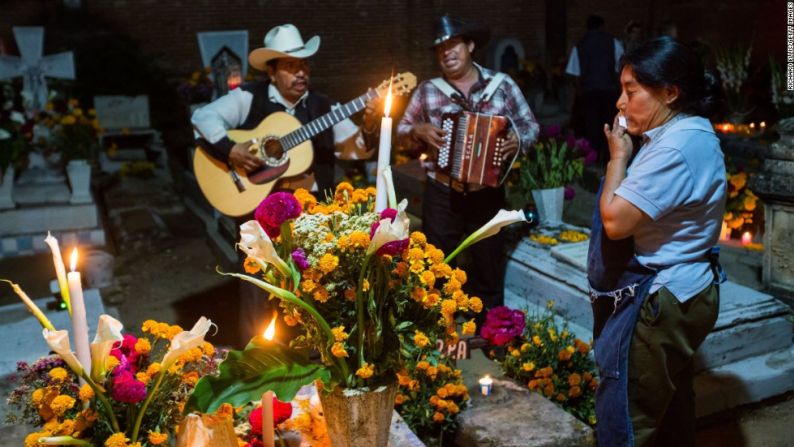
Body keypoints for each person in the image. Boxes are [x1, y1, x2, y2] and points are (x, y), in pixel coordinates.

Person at [192, 23, 380, 345]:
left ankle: (311, 353)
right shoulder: (248, 98)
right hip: (258, 208)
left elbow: (355, 148)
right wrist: (232, 150)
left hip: (312, 212)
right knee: (256, 283)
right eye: (291, 67)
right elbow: (203, 118)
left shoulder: (324, 107)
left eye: (304, 65)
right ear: (272, 71)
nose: (300, 73)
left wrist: (371, 126)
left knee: (314, 283)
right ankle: (259, 356)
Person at [588, 36, 724, 446]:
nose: (620, 103)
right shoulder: (678, 135)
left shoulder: (679, 147)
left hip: (662, 299)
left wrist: (617, 158)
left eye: (631, 91)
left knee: (628, 417)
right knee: (669, 412)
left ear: (669, 92)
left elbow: (615, 221)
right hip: (681, 290)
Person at [397, 15, 539, 324]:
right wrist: (418, 130)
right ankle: (435, 332)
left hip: (487, 192)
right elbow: (400, 131)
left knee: (488, 264)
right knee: (437, 265)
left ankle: (492, 331)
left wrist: (517, 141)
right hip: (442, 191)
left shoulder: (502, 85)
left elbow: (530, 125)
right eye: (440, 49)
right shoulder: (427, 90)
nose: (446, 53)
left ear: (470, 46)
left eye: (453, 45)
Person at [565, 14, 624, 160]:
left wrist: (580, 91)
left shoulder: (580, 46)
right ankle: (608, 154)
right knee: (608, 123)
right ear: (601, 26)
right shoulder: (613, 42)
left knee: (591, 124)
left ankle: (594, 155)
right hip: (610, 90)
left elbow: (574, 72)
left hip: (589, 90)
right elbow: (621, 65)